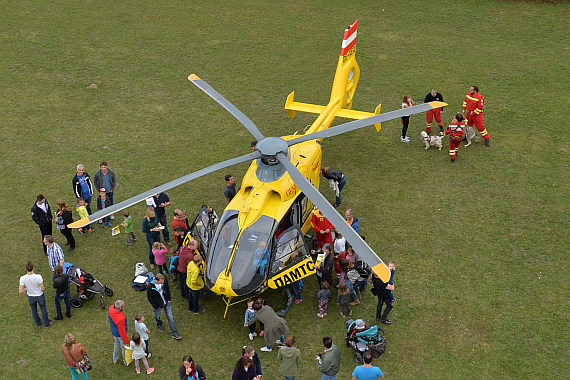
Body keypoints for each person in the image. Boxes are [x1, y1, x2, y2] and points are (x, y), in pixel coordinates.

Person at [147, 273, 182, 339]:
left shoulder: (164, 281)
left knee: (170, 317)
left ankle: (174, 333)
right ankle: (159, 324)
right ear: (157, 280)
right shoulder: (150, 286)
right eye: (161, 281)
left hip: (166, 302)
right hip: (158, 304)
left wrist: (168, 298)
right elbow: (150, 297)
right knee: (157, 315)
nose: (163, 282)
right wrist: (155, 305)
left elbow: (167, 289)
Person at [19, 261, 52, 327]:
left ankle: (38, 323)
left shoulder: (22, 278)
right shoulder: (38, 277)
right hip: (39, 295)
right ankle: (46, 323)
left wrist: (26, 289)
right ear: (33, 268)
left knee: (34, 309)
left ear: (26, 268)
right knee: (43, 309)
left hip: (31, 296)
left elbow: (20, 291)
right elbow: (43, 288)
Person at [108, 299, 129, 365]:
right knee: (124, 347)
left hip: (114, 332)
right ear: (120, 308)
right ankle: (126, 361)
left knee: (116, 344)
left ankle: (115, 359)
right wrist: (126, 341)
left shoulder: (111, 309)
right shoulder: (120, 319)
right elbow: (122, 331)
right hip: (119, 334)